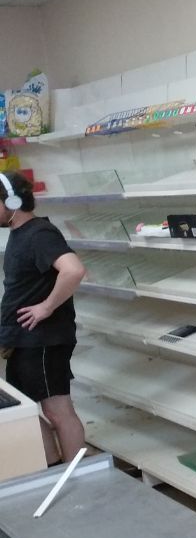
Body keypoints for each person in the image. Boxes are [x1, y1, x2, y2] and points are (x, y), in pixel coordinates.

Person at [0, 171, 86, 464]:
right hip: (24, 340)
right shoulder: (21, 233)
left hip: (44, 341)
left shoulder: (39, 234)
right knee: (24, 408)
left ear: (11, 201)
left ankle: (76, 473)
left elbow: (73, 270)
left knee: (58, 411)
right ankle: (53, 466)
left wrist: (46, 307)